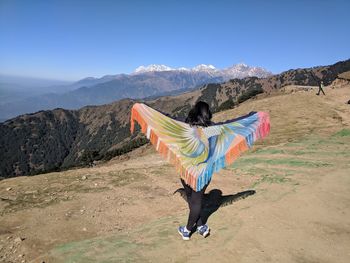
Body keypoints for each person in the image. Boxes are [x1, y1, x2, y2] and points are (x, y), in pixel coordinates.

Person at [178, 101, 213, 240]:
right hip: (203, 173)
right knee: (196, 201)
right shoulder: (212, 129)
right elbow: (232, 126)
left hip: (186, 170)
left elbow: (166, 120)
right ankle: (200, 226)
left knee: (192, 200)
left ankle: (186, 230)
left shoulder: (185, 127)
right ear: (206, 114)